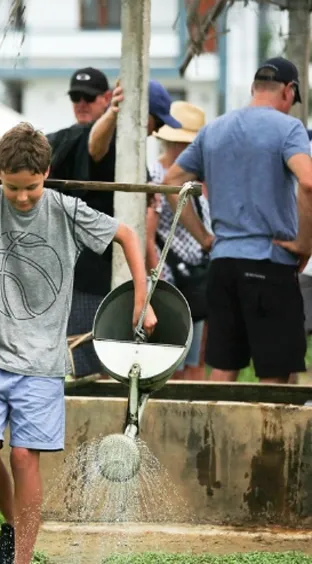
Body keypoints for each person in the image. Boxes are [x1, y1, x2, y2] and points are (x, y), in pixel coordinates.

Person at [0, 123, 156, 564]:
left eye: (31, 188)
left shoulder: (65, 209)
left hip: (41, 361)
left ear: (47, 174)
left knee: (24, 458)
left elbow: (128, 236)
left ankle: (21, 558)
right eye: (12, 186)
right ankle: (17, 525)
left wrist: (141, 299)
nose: (21, 197)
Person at [163, 57, 312, 384]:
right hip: (269, 262)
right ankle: (269, 438)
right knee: (277, 374)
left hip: (223, 264)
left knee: (223, 366)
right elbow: (308, 181)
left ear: (253, 88)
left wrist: (204, 237)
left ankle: (210, 436)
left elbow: (171, 181)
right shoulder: (289, 128)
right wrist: (304, 243)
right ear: (289, 91)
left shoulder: (213, 129)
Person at [50, 79, 180, 378]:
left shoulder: (131, 153)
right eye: (155, 121)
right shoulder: (101, 139)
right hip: (86, 272)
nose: (156, 130)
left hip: (114, 270)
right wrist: (114, 113)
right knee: (86, 364)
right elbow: (96, 147)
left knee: (112, 357)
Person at [146, 101, 211, 380]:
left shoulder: (196, 179)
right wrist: (156, 277)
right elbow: (147, 235)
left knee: (194, 362)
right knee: (170, 365)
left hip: (195, 280)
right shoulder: (157, 178)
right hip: (170, 280)